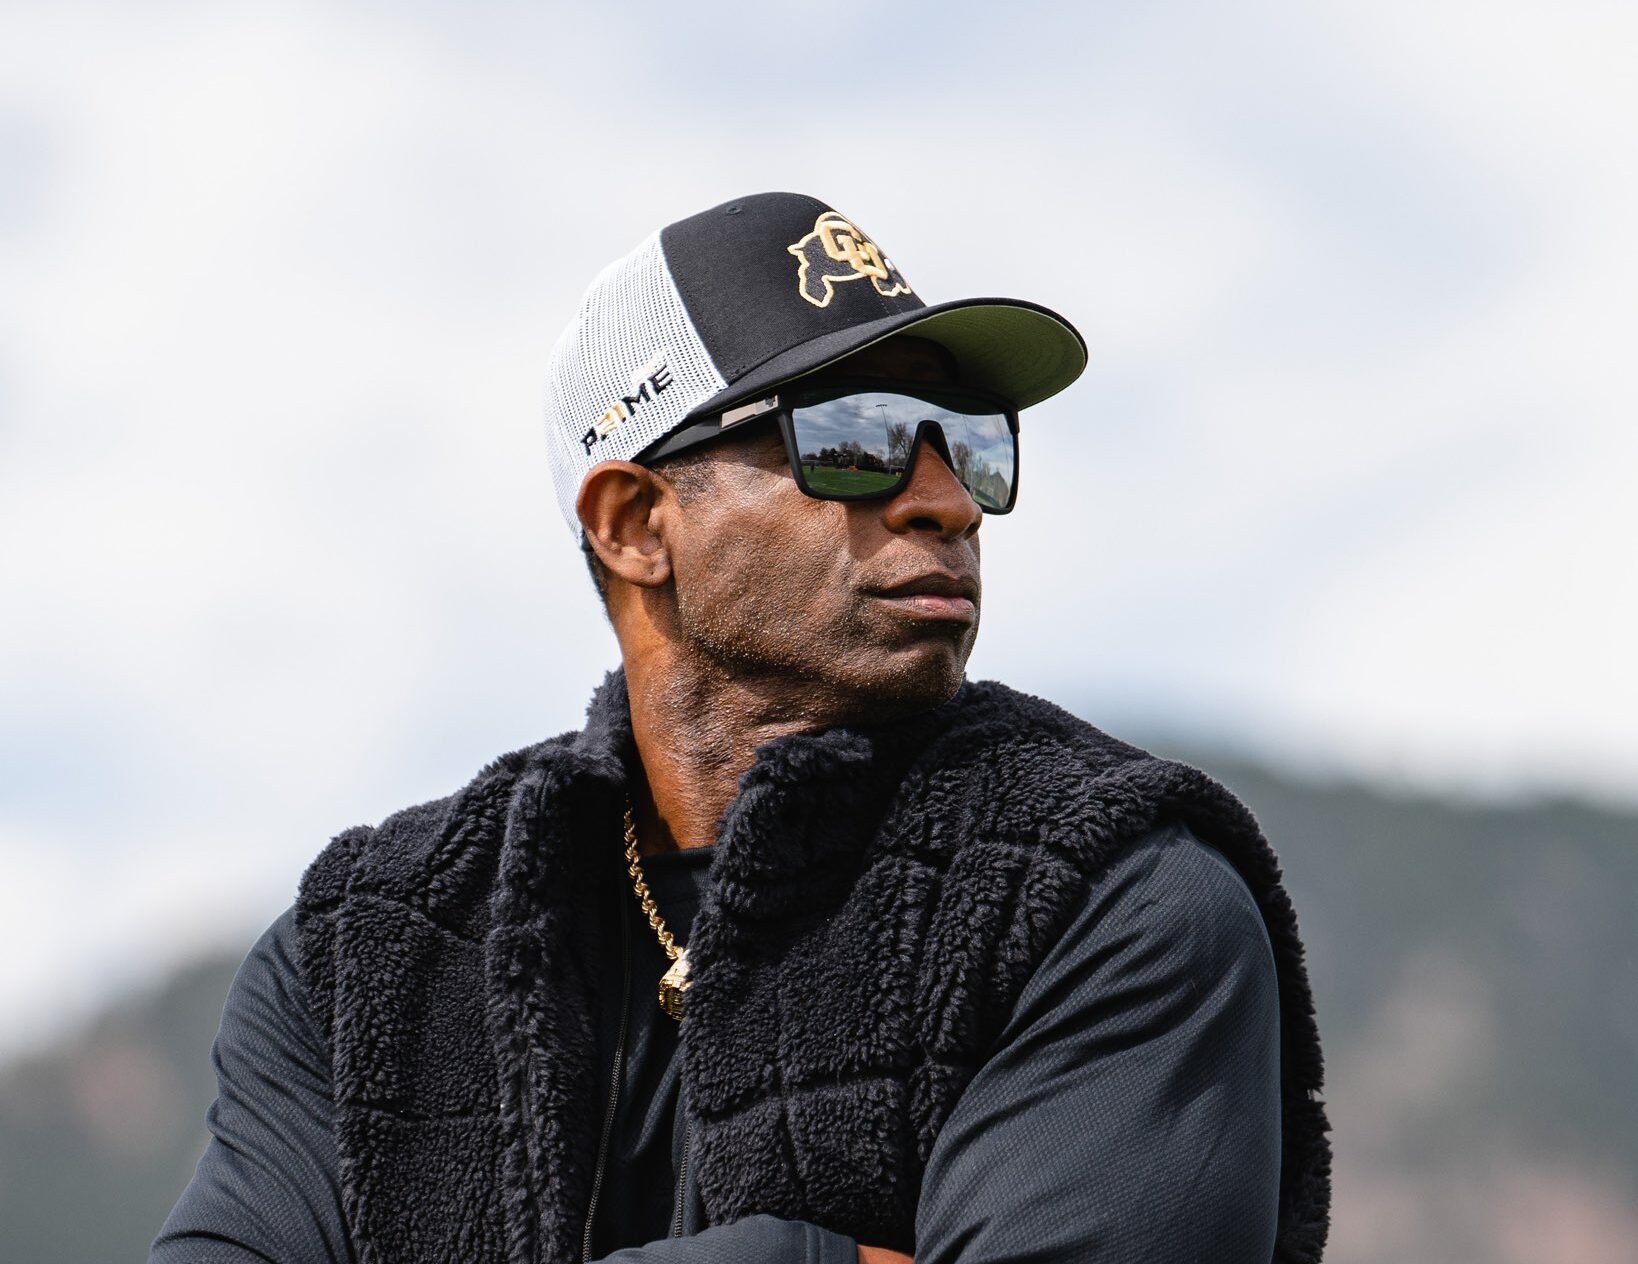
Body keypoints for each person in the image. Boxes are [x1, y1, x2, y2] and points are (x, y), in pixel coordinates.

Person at [152, 192, 1332, 1264]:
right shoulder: (366, 952)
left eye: (968, 439)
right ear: (633, 523)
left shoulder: (1107, 891)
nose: (948, 499)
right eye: (857, 437)